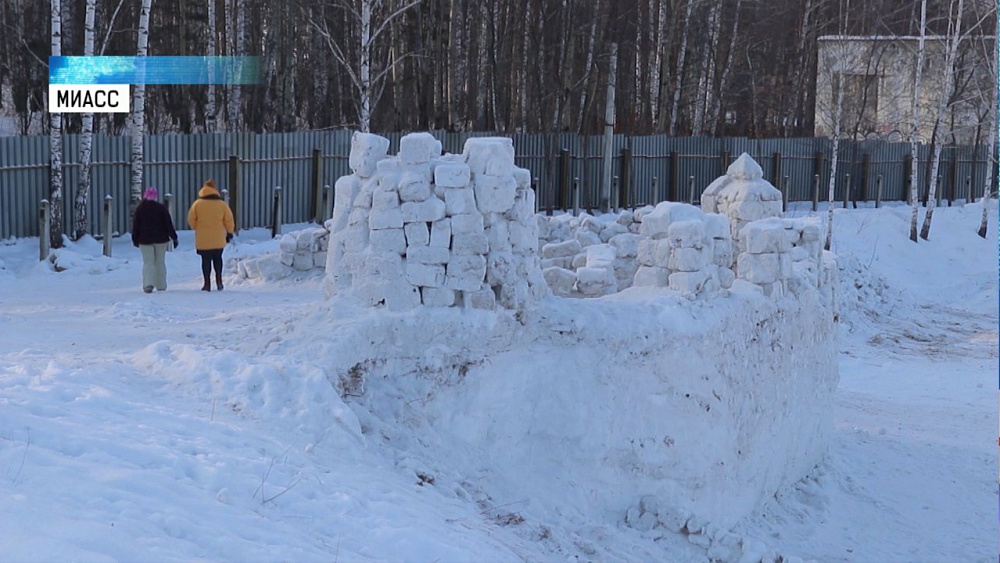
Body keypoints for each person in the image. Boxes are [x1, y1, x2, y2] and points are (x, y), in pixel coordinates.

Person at [187, 179, 235, 292]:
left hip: (203, 239)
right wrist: (229, 232)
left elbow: (191, 220)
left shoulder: (197, 204)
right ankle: (219, 281)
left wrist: (196, 227)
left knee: (205, 261)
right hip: (218, 238)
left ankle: (207, 284)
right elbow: (229, 220)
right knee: (218, 259)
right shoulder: (222, 205)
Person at [132, 186, 179, 293]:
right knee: (160, 262)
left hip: (145, 240)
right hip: (161, 240)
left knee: (148, 262)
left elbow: (136, 225)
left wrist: (135, 239)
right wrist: (174, 237)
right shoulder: (161, 208)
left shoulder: (140, 209)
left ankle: (148, 284)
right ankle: (161, 285)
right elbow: (168, 224)